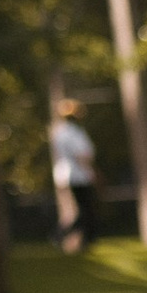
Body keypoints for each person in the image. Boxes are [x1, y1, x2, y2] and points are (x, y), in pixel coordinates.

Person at [49, 94, 101, 250]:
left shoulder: (59, 132)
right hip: (78, 175)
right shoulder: (73, 133)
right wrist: (91, 171)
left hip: (67, 175)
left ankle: (84, 239)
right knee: (86, 210)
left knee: (85, 210)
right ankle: (61, 234)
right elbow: (81, 155)